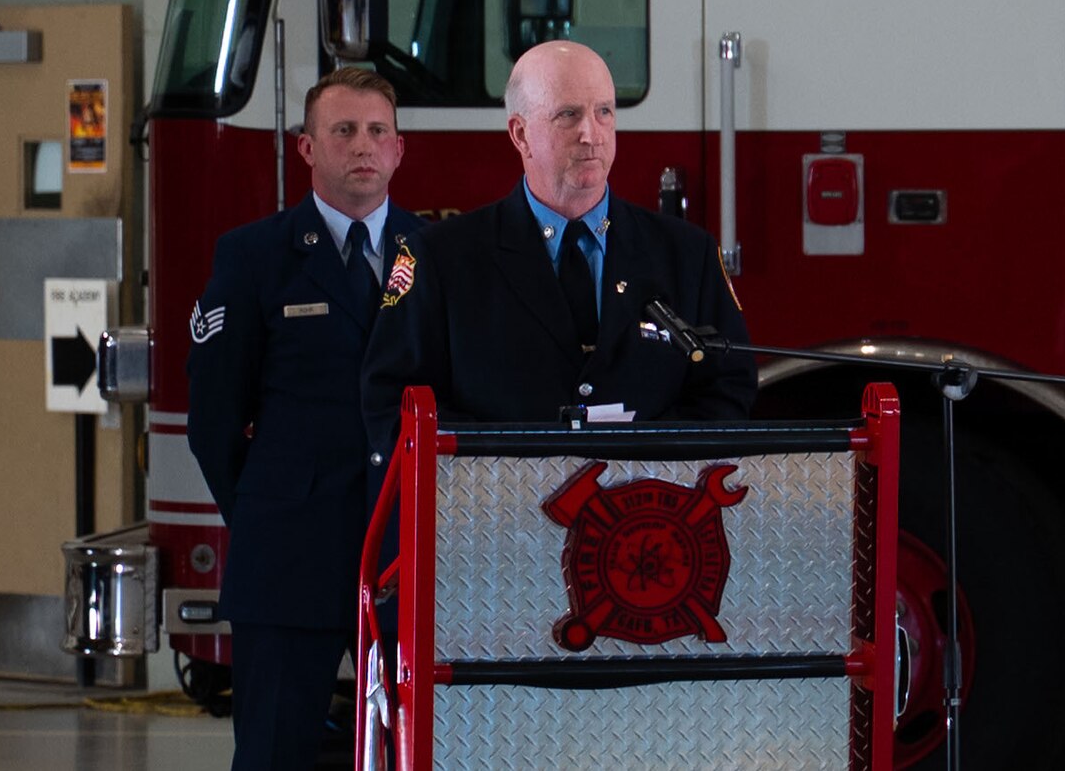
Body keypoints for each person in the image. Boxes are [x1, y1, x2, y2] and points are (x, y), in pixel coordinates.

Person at [186, 67, 423, 771]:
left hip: (407, 559)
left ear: (399, 150)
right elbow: (215, 422)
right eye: (343, 130)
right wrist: (269, 511)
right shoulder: (255, 256)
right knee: (275, 755)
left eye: (378, 131)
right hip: (290, 556)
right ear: (307, 148)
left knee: (422, 752)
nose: (363, 146)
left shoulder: (431, 252)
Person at [360, 41, 755, 461]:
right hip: (498, 519)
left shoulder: (687, 254)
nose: (591, 134)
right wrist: (510, 473)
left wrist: (646, 469)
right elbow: (392, 405)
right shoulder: (441, 258)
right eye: (569, 115)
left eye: (604, 112)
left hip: (643, 517)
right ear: (520, 134)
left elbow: (728, 390)